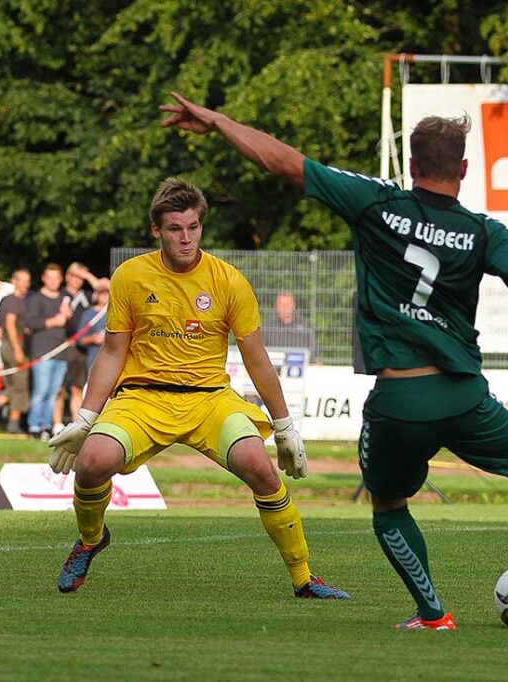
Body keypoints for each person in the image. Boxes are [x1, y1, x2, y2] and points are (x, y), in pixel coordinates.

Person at [159, 94, 508, 631]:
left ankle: (433, 613)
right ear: (464, 169)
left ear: (411, 166)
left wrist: (219, 121)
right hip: (464, 394)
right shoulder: (483, 230)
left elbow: (284, 161)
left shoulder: (377, 204)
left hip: (401, 398)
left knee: (388, 504)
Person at [46, 178, 349, 600]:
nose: (185, 238)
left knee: (260, 468)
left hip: (209, 400)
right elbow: (113, 352)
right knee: (92, 461)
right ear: (156, 230)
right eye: (175, 229)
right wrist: (85, 417)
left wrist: (284, 427)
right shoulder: (130, 276)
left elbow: (256, 358)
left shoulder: (228, 281)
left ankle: (304, 577)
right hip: (143, 398)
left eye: (193, 227)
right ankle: (91, 539)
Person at [23, 263, 71, 440]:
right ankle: (34, 426)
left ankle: (46, 425)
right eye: (49, 278)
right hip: (42, 352)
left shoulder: (64, 298)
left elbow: (70, 325)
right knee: (41, 391)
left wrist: (68, 316)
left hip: (60, 353)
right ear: (44, 278)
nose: (53, 281)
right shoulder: (36, 298)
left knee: (54, 393)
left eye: (56, 278)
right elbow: (30, 323)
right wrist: (53, 321)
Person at [53, 262, 99, 432]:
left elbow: (102, 287)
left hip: (79, 348)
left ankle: (75, 424)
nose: (77, 280)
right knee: (59, 387)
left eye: (81, 278)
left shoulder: (86, 295)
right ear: (67, 277)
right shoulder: (59, 294)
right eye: (74, 276)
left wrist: (86, 275)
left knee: (77, 387)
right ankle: (56, 424)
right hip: (60, 344)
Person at [0, 268, 32, 434]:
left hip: (8, 344)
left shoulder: (6, 300)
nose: (25, 284)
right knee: (20, 385)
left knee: (13, 383)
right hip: (15, 344)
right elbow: (9, 324)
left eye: (27, 280)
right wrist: (17, 349)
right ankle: (5, 415)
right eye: (22, 280)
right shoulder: (14, 301)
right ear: (14, 281)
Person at [261, 291, 317, 360]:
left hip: (299, 367)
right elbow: (261, 353)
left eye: (287, 304)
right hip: (273, 367)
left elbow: (313, 352)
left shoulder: (305, 327)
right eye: (281, 304)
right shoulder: (267, 327)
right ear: (276, 306)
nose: (284, 307)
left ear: (294, 305)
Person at [73, 276, 110, 375]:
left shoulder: (118, 312)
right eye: (101, 292)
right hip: (94, 358)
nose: (104, 295)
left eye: (107, 292)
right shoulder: (88, 314)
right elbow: (79, 339)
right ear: (96, 294)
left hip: (114, 360)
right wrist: (93, 338)